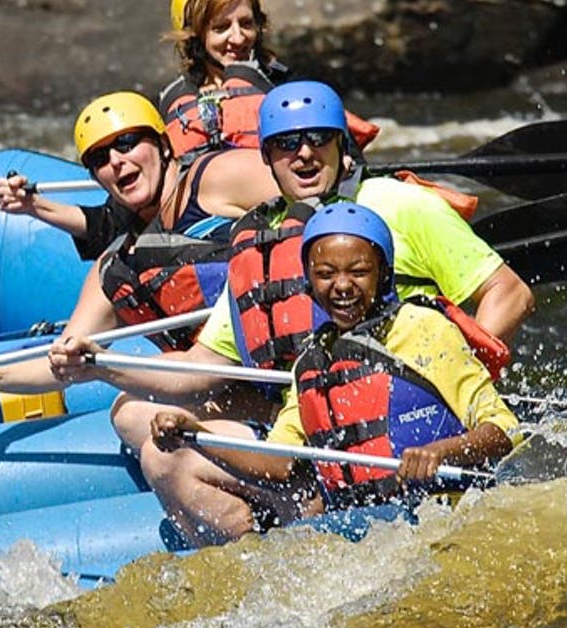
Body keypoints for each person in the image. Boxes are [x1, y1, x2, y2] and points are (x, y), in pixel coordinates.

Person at [110, 81, 534, 540]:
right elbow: (220, 381)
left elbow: (510, 297)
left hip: (421, 446)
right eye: (287, 144)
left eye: (319, 138)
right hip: (318, 435)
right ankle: (257, 555)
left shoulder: (402, 221)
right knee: (148, 436)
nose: (305, 154)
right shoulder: (270, 258)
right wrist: (111, 376)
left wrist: (440, 405)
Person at [149, 203, 521, 544]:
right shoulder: (311, 362)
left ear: (383, 274)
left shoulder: (421, 328)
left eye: (359, 272)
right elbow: (277, 464)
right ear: (309, 283)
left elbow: (505, 428)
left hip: (444, 516)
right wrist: (196, 435)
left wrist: (441, 453)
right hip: (367, 530)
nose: (342, 286)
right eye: (325, 274)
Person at [0, 0, 379, 260]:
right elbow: (117, 220)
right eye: (221, 27)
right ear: (195, 35)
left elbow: (347, 171)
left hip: (284, 228)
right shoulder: (174, 107)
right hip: (204, 241)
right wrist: (34, 205)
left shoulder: (292, 92)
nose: (238, 38)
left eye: (246, 24)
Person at [0, 89, 279, 392]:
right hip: (232, 389)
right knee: (130, 414)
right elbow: (62, 361)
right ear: (96, 178)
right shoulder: (116, 269)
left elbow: (303, 196)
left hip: (286, 356)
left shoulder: (217, 177)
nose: (116, 161)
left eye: (127, 142)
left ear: (163, 145)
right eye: (100, 158)